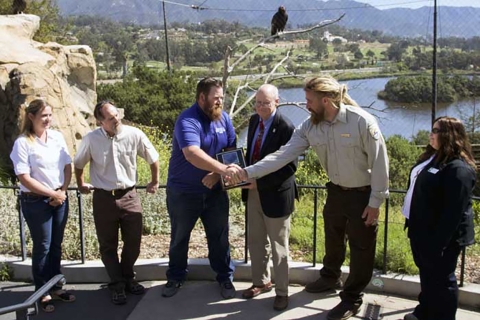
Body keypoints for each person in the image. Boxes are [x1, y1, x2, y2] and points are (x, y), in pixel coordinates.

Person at [226, 75, 389, 320]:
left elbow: (380, 163)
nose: (305, 105)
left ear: (325, 100)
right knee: (332, 241)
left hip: (362, 196)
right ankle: (329, 278)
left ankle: (351, 299)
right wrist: (245, 173)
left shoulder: (361, 122)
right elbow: (282, 156)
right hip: (335, 192)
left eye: (309, 100)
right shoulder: (310, 126)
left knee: (361, 249)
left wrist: (375, 202)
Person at [74, 100, 159, 305]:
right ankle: (117, 284)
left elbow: (153, 157)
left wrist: (154, 181)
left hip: (129, 196)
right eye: (111, 118)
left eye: (117, 115)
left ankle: (128, 277)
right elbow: (78, 164)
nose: (116, 120)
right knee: (108, 245)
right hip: (103, 198)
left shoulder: (133, 134)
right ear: (100, 121)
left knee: (134, 242)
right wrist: (81, 184)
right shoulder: (91, 139)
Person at [162, 77, 237, 299]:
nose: (219, 102)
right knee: (180, 237)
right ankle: (175, 277)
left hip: (214, 192)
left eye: (222, 98)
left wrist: (217, 174)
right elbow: (192, 153)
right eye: (216, 98)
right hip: (184, 193)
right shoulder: (187, 120)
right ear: (202, 97)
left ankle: (225, 278)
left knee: (220, 237)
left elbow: (232, 149)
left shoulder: (223, 118)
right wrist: (224, 170)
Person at [402, 117, 476, 320]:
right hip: (421, 231)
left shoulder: (458, 169)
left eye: (436, 130)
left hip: (442, 238)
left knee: (443, 280)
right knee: (428, 277)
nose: (431, 134)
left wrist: (438, 244)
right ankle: (425, 312)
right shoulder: (434, 158)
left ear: (449, 135)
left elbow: (453, 212)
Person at [10, 99, 75, 313]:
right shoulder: (23, 143)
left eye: (49, 115)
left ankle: (56, 285)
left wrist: (62, 192)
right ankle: (41, 291)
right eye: (43, 116)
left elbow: (67, 166)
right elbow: (24, 177)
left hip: (59, 198)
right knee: (43, 247)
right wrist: (52, 193)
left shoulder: (56, 137)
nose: (47, 119)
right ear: (31, 117)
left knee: (56, 245)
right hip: (36, 201)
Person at [240, 84, 297, 311]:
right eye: (258, 103)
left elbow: (290, 167)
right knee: (255, 241)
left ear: (277, 102)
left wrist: (258, 181)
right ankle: (261, 282)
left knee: (279, 248)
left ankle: (282, 292)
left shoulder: (286, 127)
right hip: (253, 193)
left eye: (265, 103)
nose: (261, 107)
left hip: (275, 195)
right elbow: (250, 155)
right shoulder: (254, 121)